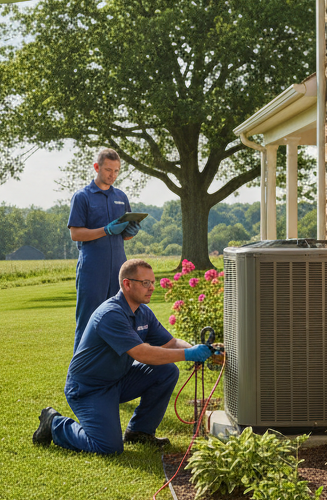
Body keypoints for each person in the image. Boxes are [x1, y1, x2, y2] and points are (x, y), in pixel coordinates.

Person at [32, 258, 213, 454]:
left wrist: (199, 350)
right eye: (146, 283)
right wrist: (189, 354)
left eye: (153, 282)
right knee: (108, 447)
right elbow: (142, 353)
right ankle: (54, 424)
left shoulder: (143, 313)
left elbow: (170, 343)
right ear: (127, 284)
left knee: (166, 371)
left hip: (118, 380)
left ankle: (139, 431)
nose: (152, 288)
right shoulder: (111, 314)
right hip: (89, 388)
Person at [68, 148, 141, 350]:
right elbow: (76, 234)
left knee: (119, 321)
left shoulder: (121, 197)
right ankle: (78, 370)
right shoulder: (82, 197)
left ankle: (115, 368)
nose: (112, 175)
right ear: (96, 167)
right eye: (108, 170)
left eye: (116, 171)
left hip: (119, 269)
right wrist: (106, 230)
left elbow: (124, 235)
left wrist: (131, 231)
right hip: (92, 269)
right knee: (87, 323)